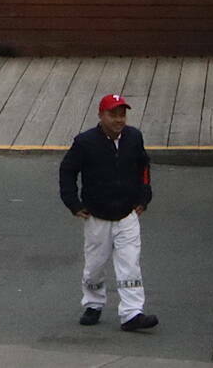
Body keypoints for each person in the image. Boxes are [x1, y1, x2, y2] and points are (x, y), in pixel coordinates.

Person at [60, 93, 158, 334]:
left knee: (130, 264)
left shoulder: (134, 137)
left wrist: (144, 196)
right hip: (97, 217)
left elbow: (143, 166)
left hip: (127, 216)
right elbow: (67, 171)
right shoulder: (85, 142)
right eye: (112, 114)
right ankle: (93, 304)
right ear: (100, 116)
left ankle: (132, 313)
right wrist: (73, 202)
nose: (119, 120)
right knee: (95, 265)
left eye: (122, 114)